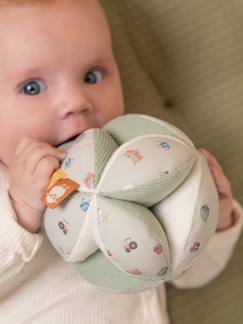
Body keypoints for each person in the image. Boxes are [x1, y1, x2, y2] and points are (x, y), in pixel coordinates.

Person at [0, 0, 242, 323]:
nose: (77, 102)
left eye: (91, 75)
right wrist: (19, 211)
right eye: (32, 87)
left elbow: (188, 272)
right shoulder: (7, 192)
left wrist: (210, 219)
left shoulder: (140, 169)